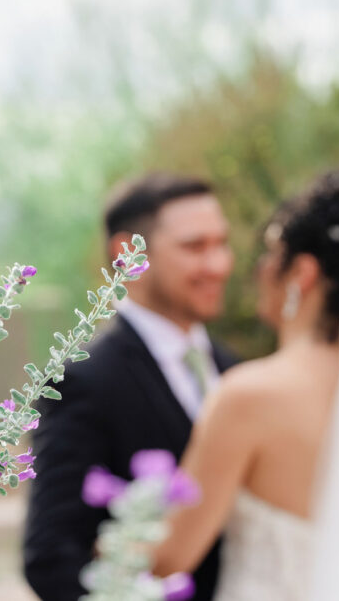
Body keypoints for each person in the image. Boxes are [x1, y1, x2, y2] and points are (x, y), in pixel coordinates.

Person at [152, 165, 339, 600]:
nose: (259, 269)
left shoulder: (250, 395)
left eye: (270, 253)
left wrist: (113, 527)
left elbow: (168, 557)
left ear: (302, 272)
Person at [23, 172, 238, 601]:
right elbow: (51, 558)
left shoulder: (235, 370)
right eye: (195, 246)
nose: (219, 265)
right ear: (128, 254)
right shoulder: (84, 380)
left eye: (222, 243)